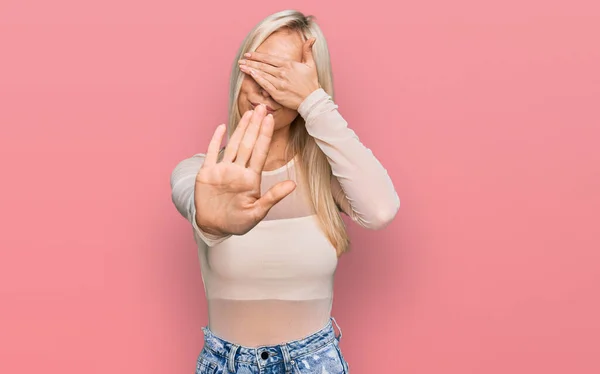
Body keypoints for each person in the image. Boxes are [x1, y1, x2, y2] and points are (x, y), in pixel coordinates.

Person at [170, 9, 400, 374]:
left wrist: (315, 102)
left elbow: (381, 209)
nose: (267, 88)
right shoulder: (200, 172)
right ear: (239, 73)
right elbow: (191, 199)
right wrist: (211, 222)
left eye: (284, 76)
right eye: (259, 70)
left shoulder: (325, 177)